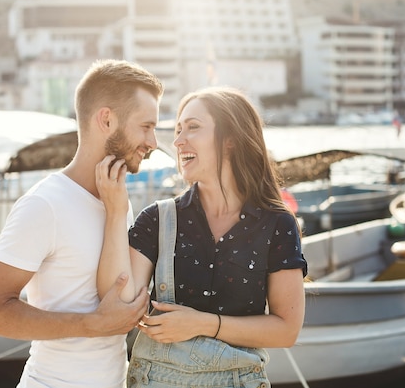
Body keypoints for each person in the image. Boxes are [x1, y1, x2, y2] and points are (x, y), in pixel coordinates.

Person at [96, 86, 308, 387]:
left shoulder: (277, 224)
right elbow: (119, 301)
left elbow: (286, 330)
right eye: (178, 130)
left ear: (231, 140)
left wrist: (201, 324)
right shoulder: (157, 219)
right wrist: (116, 213)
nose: (178, 141)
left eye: (192, 128)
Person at [0, 59, 164, 388]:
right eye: (146, 126)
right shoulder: (44, 204)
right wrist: (94, 324)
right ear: (106, 119)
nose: (154, 141)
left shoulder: (119, 201)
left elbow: (122, 300)